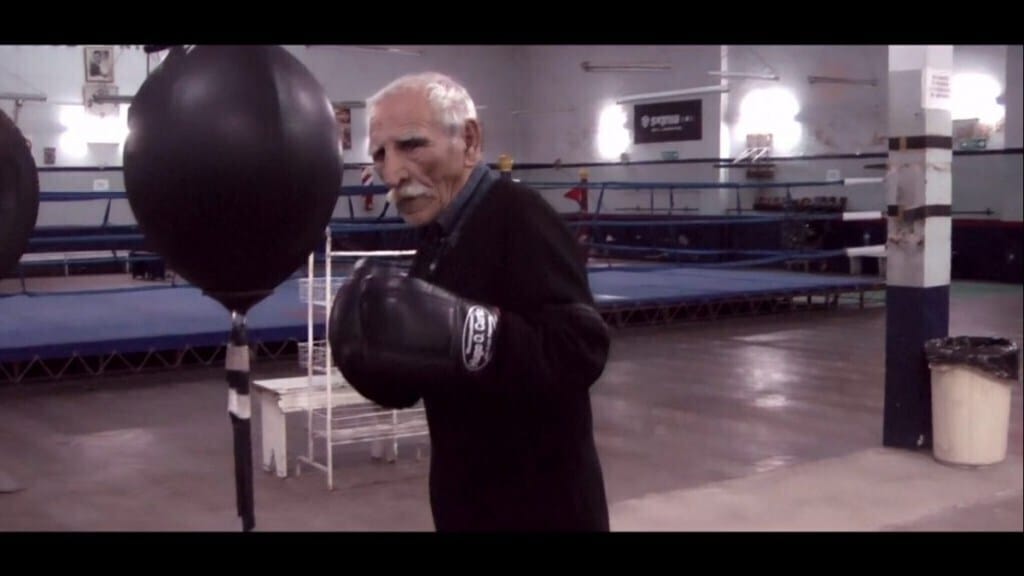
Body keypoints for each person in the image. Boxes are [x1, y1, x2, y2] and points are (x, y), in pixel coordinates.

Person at [328, 72, 611, 531]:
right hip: (469, 503)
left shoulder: (521, 217)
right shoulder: (437, 239)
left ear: (470, 140)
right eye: (381, 155)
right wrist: (379, 363)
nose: (394, 172)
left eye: (412, 145)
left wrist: (470, 334)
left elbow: (582, 348)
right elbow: (432, 369)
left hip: (543, 508)